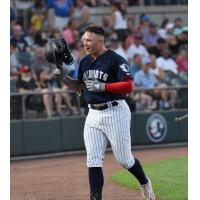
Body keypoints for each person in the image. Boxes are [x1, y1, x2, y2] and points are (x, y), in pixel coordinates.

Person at [44, 26, 155, 200]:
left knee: (124, 160)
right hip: (93, 115)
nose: (84, 43)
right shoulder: (85, 62)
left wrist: (104, 86)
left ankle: (144, 182)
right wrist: (64, 78)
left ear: (100, 41)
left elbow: (128, 85)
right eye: (83, 40)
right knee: (93, 160)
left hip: (115, 111)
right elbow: (80, 87)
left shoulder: (115, 59)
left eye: (88, 40)